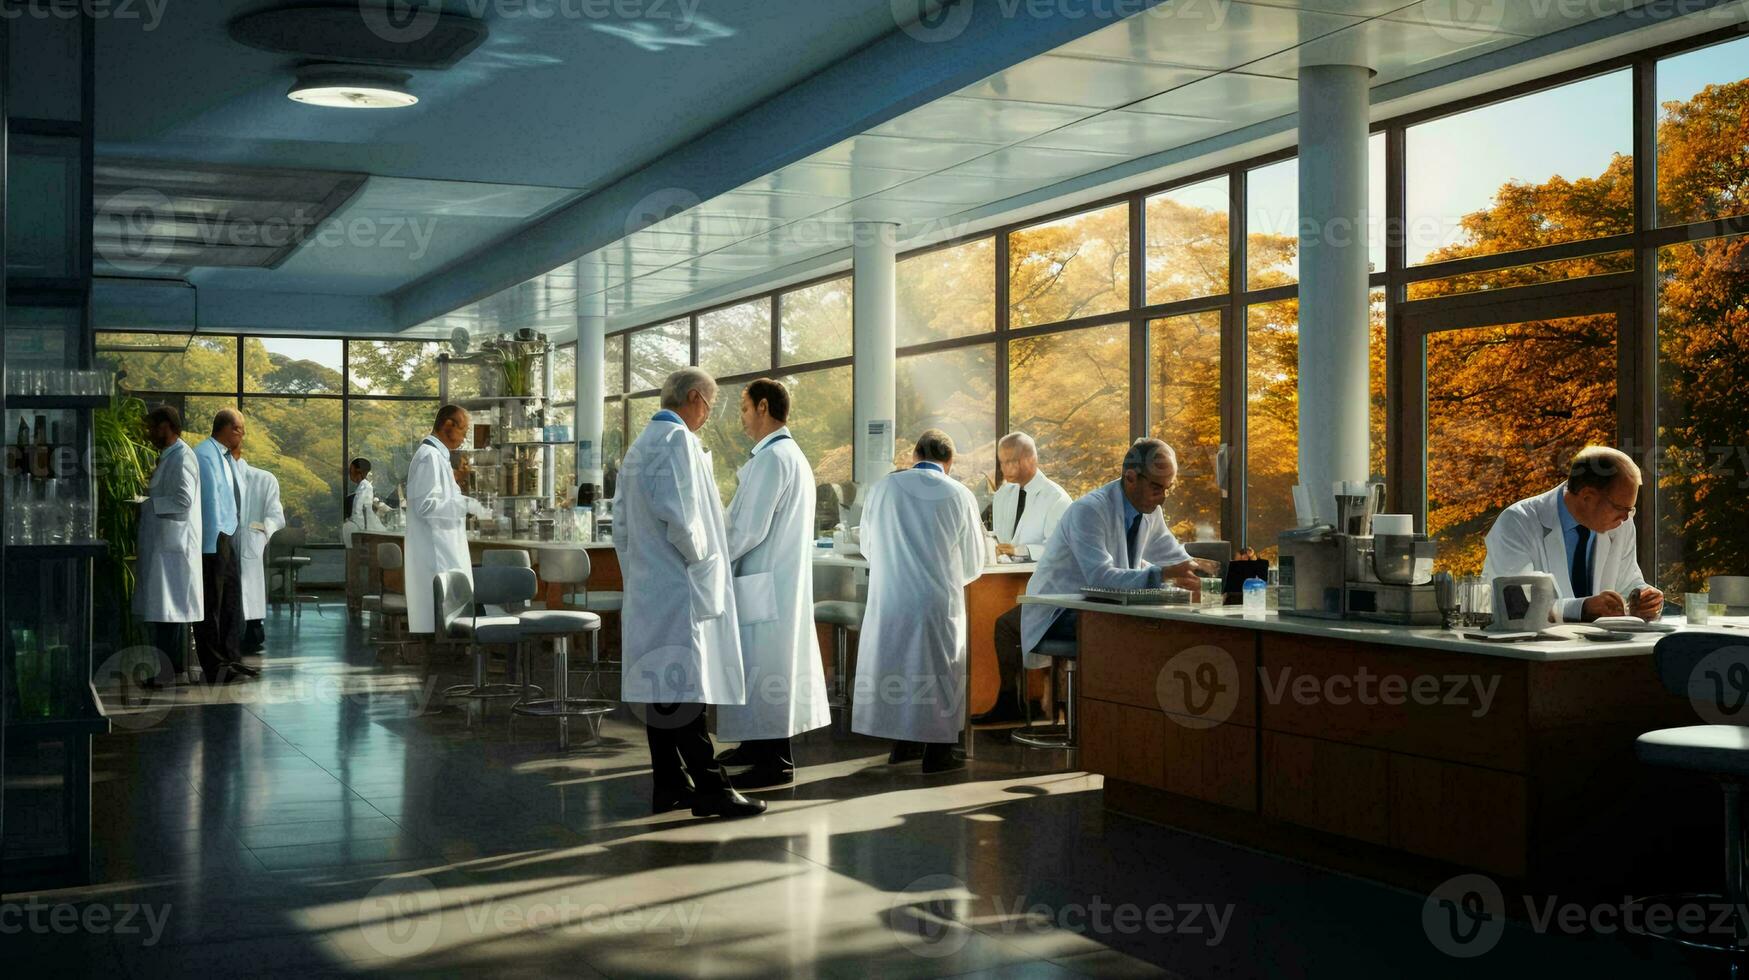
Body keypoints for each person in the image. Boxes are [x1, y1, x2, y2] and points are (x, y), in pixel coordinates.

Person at [614, 367, 764, 819]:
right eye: (711, 406)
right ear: (695, 398)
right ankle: (712, 790)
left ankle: (670, 784)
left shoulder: (641, 445)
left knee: (663, 687)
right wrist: (703, 558)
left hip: (651, 581)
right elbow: (680, 516)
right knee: (684, 690)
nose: (709, 415)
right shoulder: (676, 441)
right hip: (679, 583)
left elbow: (622, 521)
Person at [998, 440, 1219, 698]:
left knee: (1154, 630)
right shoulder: (1089, 510)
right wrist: (1165, 574)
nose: (1163, 498)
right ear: (1130, 477)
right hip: (1060, 611)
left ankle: (1124, 715)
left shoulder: (1150, 511)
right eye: (1157, 487)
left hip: (1101, 607)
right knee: (1134, 635)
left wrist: (1201, 573)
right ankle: (1107, 716)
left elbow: (1172, 555)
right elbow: (1101, 578)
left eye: (1168, 488)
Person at [714, 379, 832, 787]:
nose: (742, 420)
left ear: (763, 407)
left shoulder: (772, 459)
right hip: (771, 580)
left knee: (765, 668)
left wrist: (709, 556)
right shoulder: (788, 454)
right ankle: (755, 745)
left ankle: (775, 761)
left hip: (765, 581)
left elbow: (747, 529)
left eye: (744, 410)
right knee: (760, 667)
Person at [852, 429, 985, 774]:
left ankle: (902, 744)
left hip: (890, 595)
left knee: (897, 668)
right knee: (938, 673)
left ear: (914, 455)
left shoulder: (883, 487)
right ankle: (939, 753)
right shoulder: (959, 493)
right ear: (949, 462)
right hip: (936, 598)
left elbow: (866, 545)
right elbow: (973, 560)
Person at [1482, 446, 1663, 623]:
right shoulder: (1517, 522)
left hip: (1598, 649)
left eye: (1630, 509)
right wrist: (1582, 608)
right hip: (1532, 648)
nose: (1626, 517)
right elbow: (1516, 604)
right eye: (1620, 508)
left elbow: (1627, 582)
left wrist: (1642, 597)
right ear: (1587, 497)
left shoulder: (1621, 523)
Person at [404, 405, 491, 635]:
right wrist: (467, 505)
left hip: (443, 549)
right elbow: (427, 506)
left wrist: (469, 504)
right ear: (448, 425)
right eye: (464, 430)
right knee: (442, 618)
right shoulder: (428, 458)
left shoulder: (438, 457)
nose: (464, 438)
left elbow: (443, 500)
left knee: (451, 615)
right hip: (436, 554)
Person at [134, 405, 204, 687]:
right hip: (166, 545)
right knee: (167, 614)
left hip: (174, 547)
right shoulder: (171, 456)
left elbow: (183, 500)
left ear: (166, 426)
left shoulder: (182, 457)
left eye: (153, 427)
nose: (150, 433)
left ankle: (168, 673)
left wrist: (148, 504)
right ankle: (170, 671)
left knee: (170, 615)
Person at [193, 409, 256, 682]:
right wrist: (213, 540)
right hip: (214, 537)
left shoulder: (227, 456)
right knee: (211, 604)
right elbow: (209, 502)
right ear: (228, 429)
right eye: (240, 429)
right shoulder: (205, 455)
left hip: (228, 535)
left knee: (231, 599)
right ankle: (215, 666)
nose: (243, 434)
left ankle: (231, 658)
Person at [989, 432, 1071, 562]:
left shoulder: (1057, 499)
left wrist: (1021, 551)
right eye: (1002, 462)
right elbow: (999, 538)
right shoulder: (1001, 495)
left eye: (1011, 461)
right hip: (1002, 578)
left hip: (1041, 578)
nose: (1004, 468)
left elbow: (1062, 550)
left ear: (1032, 459)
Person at [234, 446, 285, 655]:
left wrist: (260, 534)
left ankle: (252, 633)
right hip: (225, 543)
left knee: (249, 591)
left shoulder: (264, 479)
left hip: (249, 541)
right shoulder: (220, 479)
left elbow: (276, 517)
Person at [343, 457, 385, 541]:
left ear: (358, 471)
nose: (349, 473)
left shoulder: (366, 487)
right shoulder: (363, 486)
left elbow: (359, 510)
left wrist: (361, 530)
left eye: (351, 469)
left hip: (365, 528)